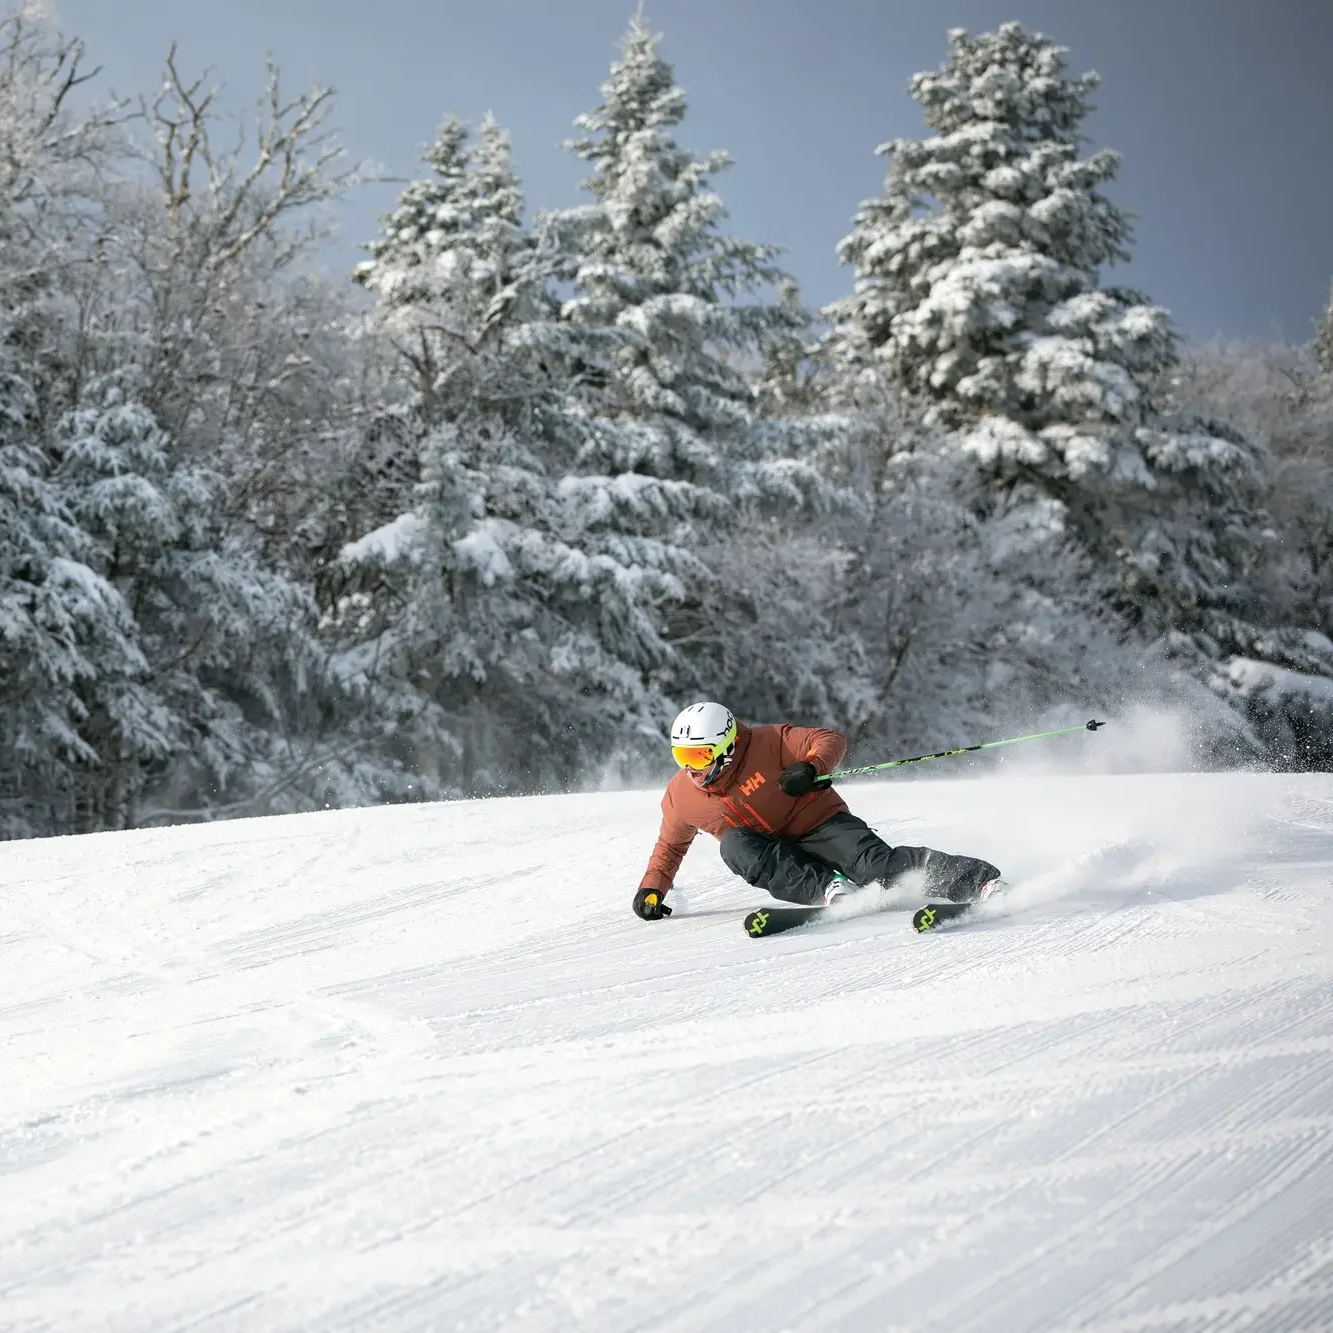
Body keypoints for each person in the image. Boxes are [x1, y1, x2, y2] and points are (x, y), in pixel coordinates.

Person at [632, 701, 1001, 921]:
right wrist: (652, 888)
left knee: (879, 868)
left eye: (699, 755)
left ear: (727, 746)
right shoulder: (683, 794)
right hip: (775, 854)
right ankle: (829, 888)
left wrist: (810, 766)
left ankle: (980, 881)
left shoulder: (769, 741)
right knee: (733, 845)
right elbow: (670, 846)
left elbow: (829, 739)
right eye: (682, 757)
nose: (691, 768)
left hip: (821, 824)